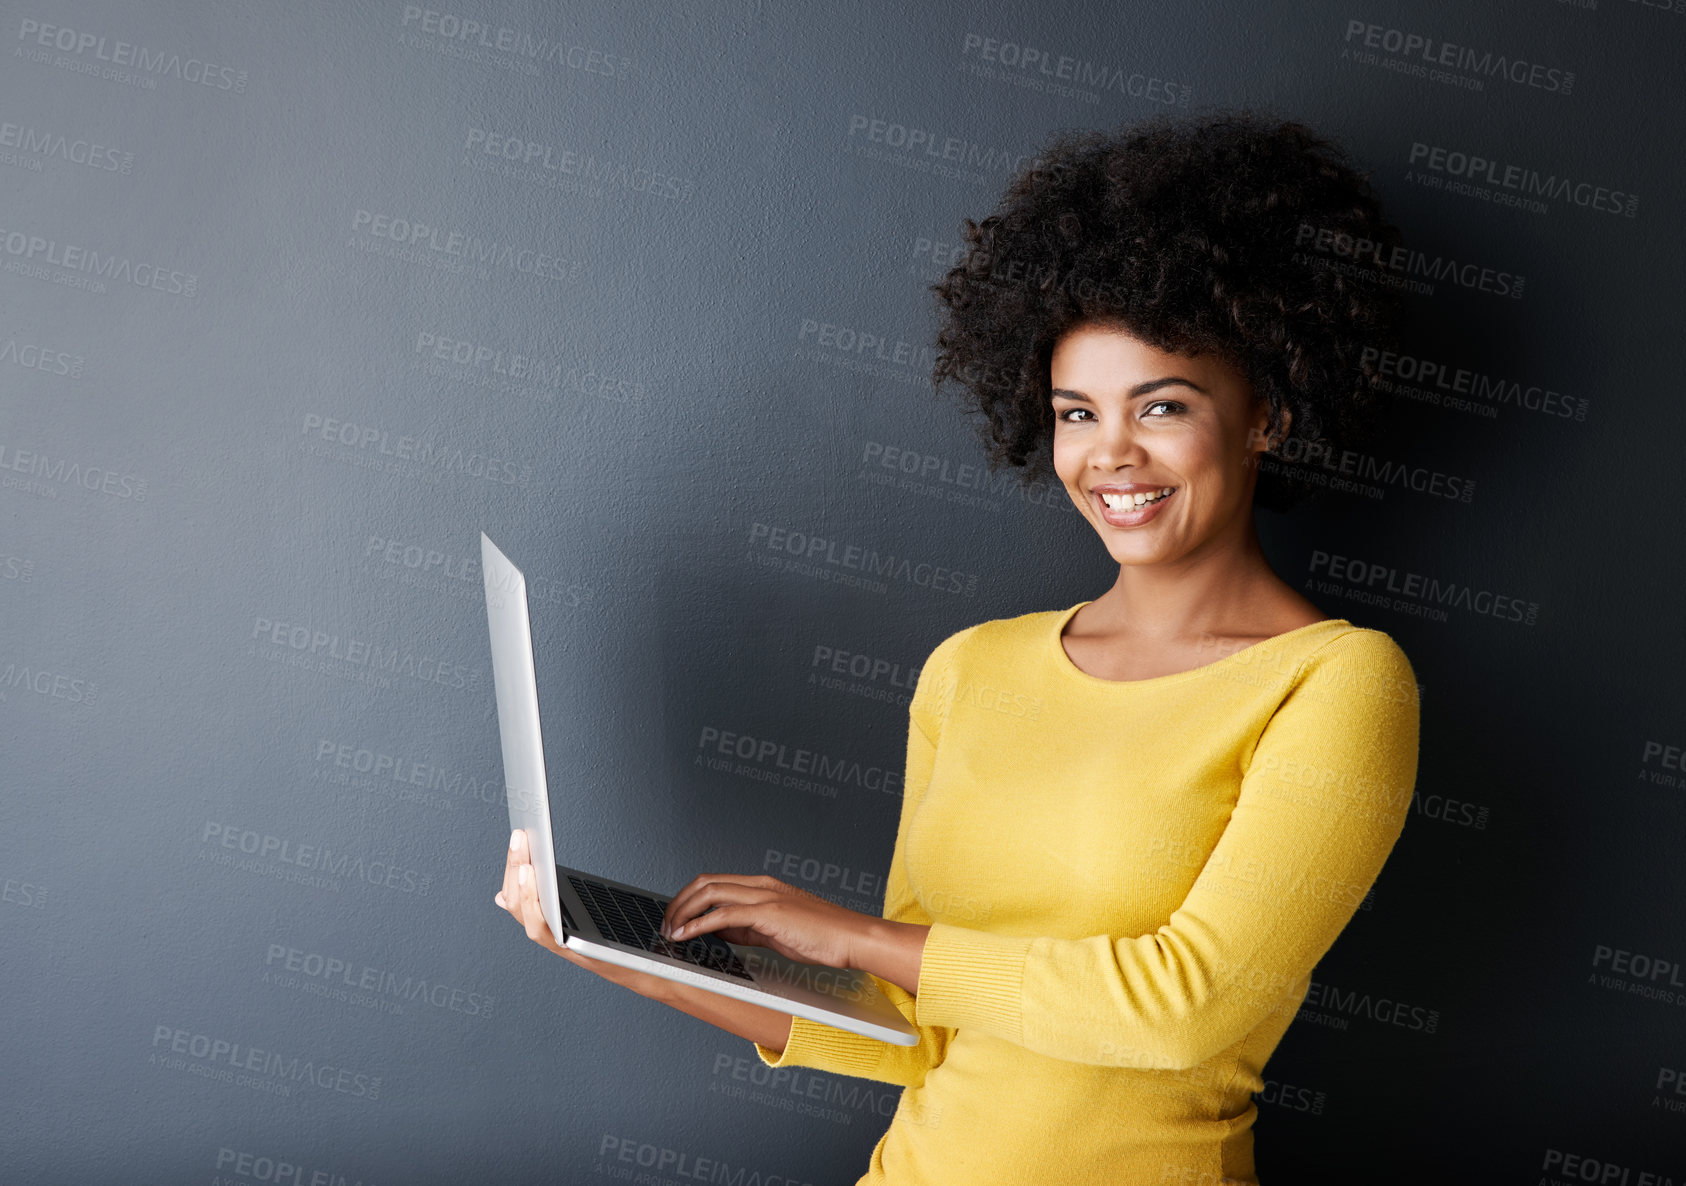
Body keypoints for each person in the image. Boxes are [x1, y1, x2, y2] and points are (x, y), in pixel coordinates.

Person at [497, 108, 1422, 1185]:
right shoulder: (970, 667)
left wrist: (850, 933)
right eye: (1076, 413)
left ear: (1266, 414)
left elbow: (1185, 1009)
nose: (1111, 455)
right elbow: (910, 1026)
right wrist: (623, 953)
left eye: (1161, 405)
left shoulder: (1338, 682)